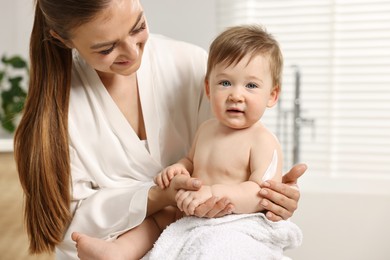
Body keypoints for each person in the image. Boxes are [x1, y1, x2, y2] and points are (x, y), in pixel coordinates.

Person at [14, 0, 306, 259]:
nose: (132, 51)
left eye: (137, 26)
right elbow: (67, 226)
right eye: (106, 47)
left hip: (210, 227)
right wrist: (159, 194)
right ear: (63, 39)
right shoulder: (56, 109)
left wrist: (275, 199)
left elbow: (244, 162)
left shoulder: (191, 65)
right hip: (145, 233)